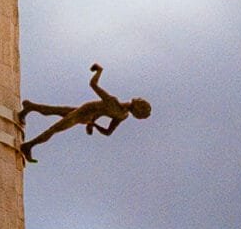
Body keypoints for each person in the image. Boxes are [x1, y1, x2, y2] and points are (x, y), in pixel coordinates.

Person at [20, 63, 150, 163]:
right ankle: (29, 145)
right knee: (55, 128)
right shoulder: (115, 105)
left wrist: (93, 123)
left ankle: (29, 107)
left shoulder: (121, 114)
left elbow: (108, 131)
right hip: (83, 112)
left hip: (87, 115)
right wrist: (99, 71)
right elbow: (93, 85)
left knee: (54, 111)